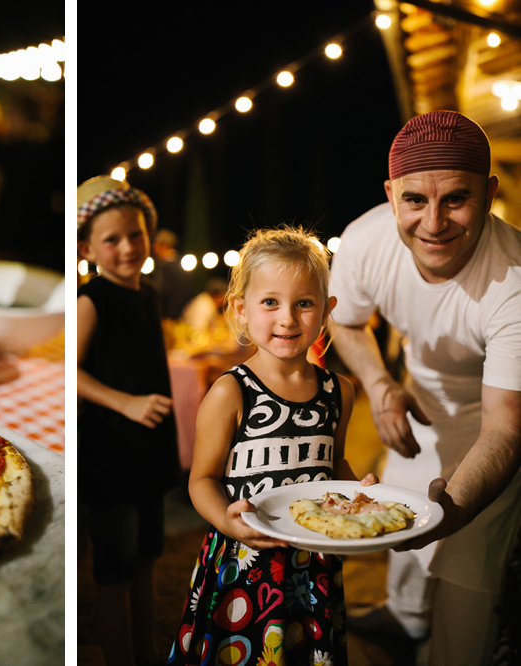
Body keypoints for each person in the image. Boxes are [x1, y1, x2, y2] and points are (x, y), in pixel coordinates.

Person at [329, 110, 521, 665]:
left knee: (468, 561)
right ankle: (404, 618)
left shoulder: (512, 281)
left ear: (489, 193)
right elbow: (345, 320)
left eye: (456, 199)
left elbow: (506, 428)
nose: (433, 223)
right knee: (403, 518)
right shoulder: (364, 242)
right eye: (415, 200)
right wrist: (380, 383)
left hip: (498, 413)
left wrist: (457, 512)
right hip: (421, 398)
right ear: (391, 194)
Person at [169, 225, 378, 665]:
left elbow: (333, 462)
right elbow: (202, 479)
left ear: (326, 311)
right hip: (245, 563)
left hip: (314, 562)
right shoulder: (230, 392)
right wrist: (228, 522)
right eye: (270, 302)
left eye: (304, 303)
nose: (287, 318)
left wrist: (361, 495)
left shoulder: (340, 390)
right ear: (240, 310)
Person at [77, 176, 180, 666]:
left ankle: (150, 651)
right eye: (111, 239)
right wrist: (126, 403)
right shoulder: (91, 300)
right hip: (109, 453)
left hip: (149, 451)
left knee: (148, 557)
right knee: (114, 569)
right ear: (87, 247)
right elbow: (67, 373)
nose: (127, 248)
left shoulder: (149, 295)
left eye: (135, 235)